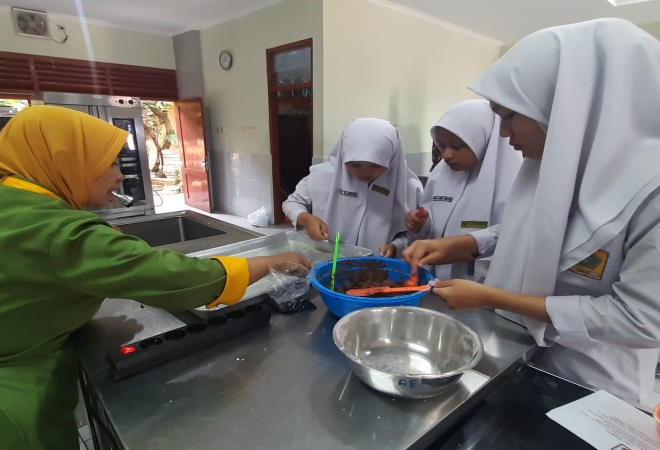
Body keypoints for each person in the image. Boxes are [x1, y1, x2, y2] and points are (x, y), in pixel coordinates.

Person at [0, 105, 309, 449]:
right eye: (106, 164)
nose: (117, 177)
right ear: (68, 161)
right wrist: (267, 262)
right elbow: (171, 277)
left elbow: (5, 278)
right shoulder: (61, 232)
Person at [402, 18, 660, 405]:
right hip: (518, 356)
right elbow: (535, 230)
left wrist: (493, 298)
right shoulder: (549, 165)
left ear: (568, 106)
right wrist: (466, 243)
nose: (503, 134)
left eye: (508, 116)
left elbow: (640, 319)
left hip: (593, 387)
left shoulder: (649, 193)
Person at [388, 99, 521, 280]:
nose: (447, 155)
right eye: (441, 146)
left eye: (457, 146)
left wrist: (462, 246)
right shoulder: (440, 175)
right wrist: (420, 224)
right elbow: (431, 230)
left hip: (481, 288)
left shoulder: (515, 181)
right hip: (434, 282)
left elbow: (515, 240)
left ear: (484, 139)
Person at [282, 118, 422, 255]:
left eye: (375, 166)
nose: (364, 172)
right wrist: (306, 219)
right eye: (355, 165)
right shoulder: (322, 176)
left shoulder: (409, 187)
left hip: (375, 269)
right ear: (343, 155)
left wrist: (395, 246)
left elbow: (415, 234)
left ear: (391, 159)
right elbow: (291, 203)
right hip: (327, 261)